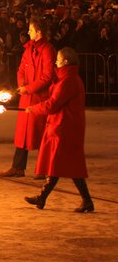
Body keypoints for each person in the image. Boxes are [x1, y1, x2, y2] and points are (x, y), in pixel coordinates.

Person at [23, 47, 95, 212]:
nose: (55, 61)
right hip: (62, 126)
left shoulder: (68, 80)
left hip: (64, 127)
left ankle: (85, 200)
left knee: (64, 164)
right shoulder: (66, 79)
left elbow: (52, 104)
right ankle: (44, 198)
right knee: (59, 164)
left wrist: (34, 109)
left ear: (66, 62)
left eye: (58, 59)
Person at [0, 18, 55, 178]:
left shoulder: (47, 50)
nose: (28, 32)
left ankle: (43, 168)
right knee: (23, 134)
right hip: (27, 97)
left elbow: (47, 76)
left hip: (40, 98)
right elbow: (21, 70)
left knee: (41, 134)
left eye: (31, 30)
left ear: (39, 32)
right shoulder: (28, 49)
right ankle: (18, 167)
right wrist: (22, 85)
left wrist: (28, 88)